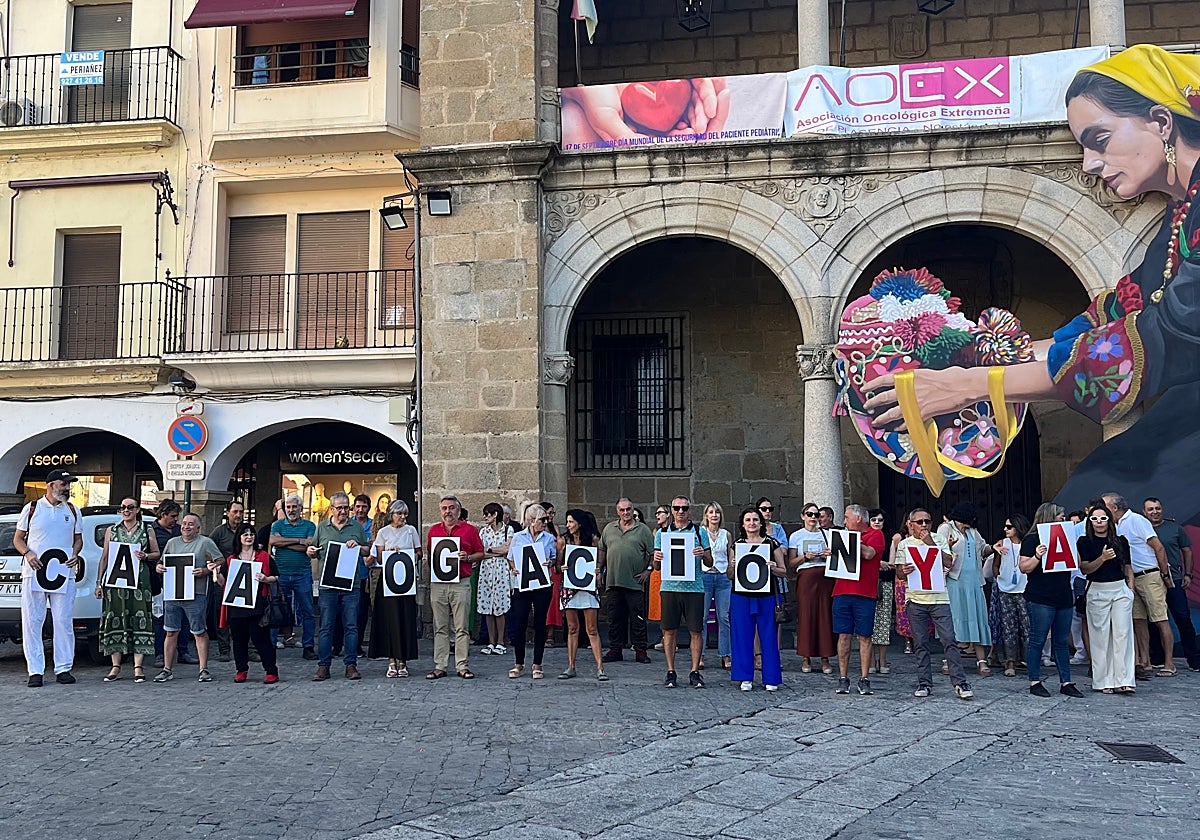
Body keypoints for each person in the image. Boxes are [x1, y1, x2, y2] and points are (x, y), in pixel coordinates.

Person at [862, 46, 1200, 528]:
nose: (1088, 163)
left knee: (1110, 495)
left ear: (1162, 122)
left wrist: (970, 386)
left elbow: (1164, 336)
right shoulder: (1181, 217)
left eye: (1099, 139)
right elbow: (1121, 306)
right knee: (1096, 492)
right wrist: (991, 353)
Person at [13, 469, 84, 687]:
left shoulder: (73, 510)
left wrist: (75, 554)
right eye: (63, 484)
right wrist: (28, 553)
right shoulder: (32, 508)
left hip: (62, 573)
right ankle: (35, 670)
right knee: (33, 621)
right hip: (34, 573)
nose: (67, 488)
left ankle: (63, 668)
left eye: (68, 484)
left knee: (63, 620)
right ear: (51, 485)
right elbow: (18, 539)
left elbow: (78, 539)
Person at [897, 508, 974, 700]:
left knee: (949, 639)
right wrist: (904, 571)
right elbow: (898, 573)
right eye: (920, 522)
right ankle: (924, 682)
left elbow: (949, 563)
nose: (924, 525)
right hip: (915, 599)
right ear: (910, 524)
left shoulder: (938, 539)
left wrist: (929, 543)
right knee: (921, 643)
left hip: (939, 598)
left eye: (927, 521)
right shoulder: (904, 544)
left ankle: (960, 682)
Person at [1104, 492, 1173, 680]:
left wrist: (1164, 574)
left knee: (1160, 619)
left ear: (1114, 508)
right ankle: (1145, 661)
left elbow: (1158, 546)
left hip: (1149, 575)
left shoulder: (1136, 520)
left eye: (1105, 507)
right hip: (1132, 577)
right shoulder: (1116, 525)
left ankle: (1169, 663)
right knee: (1138, 621)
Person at [1018, 504, 1084, 698]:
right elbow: (1024, 567)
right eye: (1060, 517)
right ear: (1049, 517)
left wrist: (1072, 543)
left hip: (1063, 594)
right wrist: (1038, 555)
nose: (1063, 520)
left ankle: (1066, 681)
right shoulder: (1032, 539)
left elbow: (1078, 563)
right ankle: (1035, 681)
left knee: (1062, 641)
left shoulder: (1066, 538)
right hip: (1041, 596)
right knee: (1038, 639)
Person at [94, 496, 160, 684]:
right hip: (116, 582)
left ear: (138, 509)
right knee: (115, 617)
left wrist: (146, 556)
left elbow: (157, 553)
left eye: (130, 507)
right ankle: (116, 665)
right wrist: (99, 582)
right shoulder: (111, 530)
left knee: (140, 618)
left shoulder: (147, 530)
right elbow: (105, 557)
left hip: (139, 581)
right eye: (123, 507)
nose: (126, 510)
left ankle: (138, 665)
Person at [306, 491, 368, 681]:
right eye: (339, 508)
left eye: (345, 507)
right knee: (326, 626)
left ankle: (350, 665)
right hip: (328, 585)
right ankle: (323, 666)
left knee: (351, 626)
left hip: (351, 585)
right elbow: (314, 550)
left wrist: (357, 545)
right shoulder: (322, 527)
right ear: (331, 509)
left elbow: (366, 551)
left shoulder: (356, 527)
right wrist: (310, 551)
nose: (343, 511)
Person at [155, 513, 223, 683]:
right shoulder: (172, 543)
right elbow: (162, 562)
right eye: (184, 523)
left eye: (191, 524)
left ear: (198, 528)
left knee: (199, 631)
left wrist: (206, 571)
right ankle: (167, 669)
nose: (186, 526)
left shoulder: (205, 542)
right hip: (173, 593)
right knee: (171, 631)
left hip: (196, 593)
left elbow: (220, 560)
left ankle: (203, 669)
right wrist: (159, 568)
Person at [653, 496, 712, 688]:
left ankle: (695, 671)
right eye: (677, 508)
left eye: (684, 508)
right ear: (671, 510)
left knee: (696, 630)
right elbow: (656, 566)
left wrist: (703, 554)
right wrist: (657, 558)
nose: (680, 511)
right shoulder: (662, 533)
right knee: (669, 630)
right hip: (670, 587)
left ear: (689, 510)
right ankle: (671, 670)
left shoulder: (699, 531)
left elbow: (710, 562)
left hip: (694, 587)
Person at [1078, 503, 1137, 693]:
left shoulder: (1121, 541)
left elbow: (1128, 567)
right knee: (1100, 637)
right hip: (1097, 590)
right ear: (1090, 521)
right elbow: (1085, 568)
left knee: (1123, 635)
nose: (1099, 522)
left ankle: (1125, 680)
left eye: (1103, 518)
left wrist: (1130, 590)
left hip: (1119, 589)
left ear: (1109, 520)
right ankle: (1103, 681)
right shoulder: (1084, 541)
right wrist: (1102, 558)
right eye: (1094, 518)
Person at [425, 495, 484, 680]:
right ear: (440, 511)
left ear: (458, 510)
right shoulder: (433, 531)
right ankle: (440, 665)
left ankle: (462, 665)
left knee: (461, 627)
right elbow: (430, 554)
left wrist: (467, 558)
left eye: (451, 508)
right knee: (440, 626)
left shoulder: (469, 530)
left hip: (461, 583)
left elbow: (480, 553)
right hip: (439, 584)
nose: (447, 511)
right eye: (444, 508)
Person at [728, 507, 785, 691]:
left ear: (761, 523)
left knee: (769, 636)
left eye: (755, 519)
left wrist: (773, 567)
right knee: (742, 636)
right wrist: (733, 566)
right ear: (742, 524)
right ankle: (745, 677)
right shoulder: (736, 546)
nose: (752, 523)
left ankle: (771, 678)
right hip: (741, 596)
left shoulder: (772, 544)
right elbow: (729, 574)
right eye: (748, 520)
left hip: (766, 596)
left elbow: (784, 572)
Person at [214, 525, 279, 684]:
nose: (249, 537)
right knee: (238, 639)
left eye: (251, 534)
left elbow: (276, 576)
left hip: (257, 603)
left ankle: (271, 670)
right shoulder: (231, 559)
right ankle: (241, 669)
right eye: (245, 534)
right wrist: (215, 572)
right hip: (237, 605)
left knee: (260, 638)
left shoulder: (264, 556)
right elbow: (223, 582)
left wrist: (265, 579)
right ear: (239, 538)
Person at [1143, 497, 1200, 671]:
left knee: (1182, 618)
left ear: (1162, 509)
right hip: (1150, 580)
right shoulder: (1141, 528)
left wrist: (1188, 574)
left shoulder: (1175, 528)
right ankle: (1158, 657)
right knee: (1153, 620)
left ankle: (1194, 659)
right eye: (1151, 509)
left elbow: (1187, 551)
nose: (1155, 512)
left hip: (1174, 580)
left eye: (1157, 508)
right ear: (1144, 512)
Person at [832, 504, 884, 696]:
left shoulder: (875, 535)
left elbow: (869, 554)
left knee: (865, 636)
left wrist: (847, 540)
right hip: (842, 591)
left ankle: (864, 678)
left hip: (865, 594)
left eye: (847, 517)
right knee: (843, 635)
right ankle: (843, 677)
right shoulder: (845, 537)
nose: (844, 521)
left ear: (858, 519)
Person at [937, 502, 993, 677]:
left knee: (976, 617)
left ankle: (981, 660)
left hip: (974, 581)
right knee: (955, 618)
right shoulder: (946, 529)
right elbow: (937, 550)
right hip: (955, 580)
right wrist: (949, 546)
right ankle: (949, 659)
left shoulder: (972, 532)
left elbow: (982, 549)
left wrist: (994, 548)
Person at [367, 501, 421, 678]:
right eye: (400, 514)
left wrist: (408, 554)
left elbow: (419, 553)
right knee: (390, 619)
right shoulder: (383, 532)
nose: (403, 518)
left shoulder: (411, 530)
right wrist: (390, 551)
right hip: (389, 581)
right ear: (392, 514)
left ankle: (404, 660)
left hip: (405, 581)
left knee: (405, 617)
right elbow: (379, 558)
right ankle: (391, 660)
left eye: (405, 514)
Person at [599, 497, 654, 664]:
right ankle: (615, 649)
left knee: (637, 618)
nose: (625, 513)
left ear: (633, 509)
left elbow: (653, 554)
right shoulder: (609, 529)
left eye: (628, 509)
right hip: (613, 582)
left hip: (635, 583)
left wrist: (648, 571)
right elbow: (602, 549)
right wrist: (598, 571)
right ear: (617, 511)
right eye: (622, 510)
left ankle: (641, 650)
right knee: (614, 618)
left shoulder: (643, 530)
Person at [506, 505, 557, 679]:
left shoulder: (549, 538)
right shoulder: (518, 537)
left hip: (542, 586)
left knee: (540, 623)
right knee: (520, 622)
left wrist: (550, 563)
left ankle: (537, 664)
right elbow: (511, 559)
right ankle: (519, 663)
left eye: (546, 519)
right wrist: (514, 569)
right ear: (531, 520)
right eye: (542, 519)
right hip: (523, 585)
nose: (545, 522)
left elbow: (553, 559)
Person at [557, 509, 606, 680]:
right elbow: (557, 565)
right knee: (572, 628)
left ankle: (600, 668)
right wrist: (561, 568)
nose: (568, 525)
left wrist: (598, 570)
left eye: (571, 521)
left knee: (592, 628)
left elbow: (600, 562)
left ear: (579, 522)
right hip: (570, 588)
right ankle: (571, 666)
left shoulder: (593, 540)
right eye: (567, 522)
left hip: (587, 587)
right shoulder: (563, 540)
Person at [788, 502, 835, 674]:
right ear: (803, 516)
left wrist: (830, 555)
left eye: (816, 515)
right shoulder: (796, 536)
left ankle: (825, 657)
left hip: (825, 578)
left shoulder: (828, 535)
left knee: (825, 616)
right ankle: (806, 656)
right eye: (810, 514)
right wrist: (804, 557)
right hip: (806, 578)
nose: (813, 518)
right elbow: (791, 563)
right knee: (806, 616)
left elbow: (838, 560)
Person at [270, 494, 318, 660]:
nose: (291, 510)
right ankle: (271, 645)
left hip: (302, 575)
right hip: (280, 574)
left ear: (300, 509)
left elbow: (310, 545)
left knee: (308, 612)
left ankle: (309, 646)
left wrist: (285, 542)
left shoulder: (310, 525)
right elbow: (273, 541)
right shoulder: (277, 524)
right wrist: (298, 540)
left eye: (294, 507)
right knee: (275, 609)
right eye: (288, 507)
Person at [989, 514, 1031, 678]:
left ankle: (1028, 659)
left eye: (1009, 527)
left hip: (1024, 589)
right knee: (1009, 626)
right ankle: (1010, 661)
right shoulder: (1002, 544)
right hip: (1005, 589)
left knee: (1026, 626)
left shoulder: (1027, 544)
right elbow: (996, 564)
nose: (1005, 530)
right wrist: (998, 576)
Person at [151, 499, 191, 667]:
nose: (176, 520)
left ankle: (183, 651)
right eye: (173, 516)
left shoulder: (178, 530)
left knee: (183, 616)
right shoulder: (151, 530)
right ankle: (160, 654)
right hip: (158, 581)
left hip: (179, 579)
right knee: (160, 618)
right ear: (163, 514)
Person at [207, 499, 245, 663]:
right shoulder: (219, 532)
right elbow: (208, 550)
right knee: (221, 613)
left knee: (245, 614)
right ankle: (224, 649)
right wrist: (214, 566)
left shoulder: (247, 530)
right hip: (223, 579)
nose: (238, 515)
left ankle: (248, 649)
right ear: (227, 513)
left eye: (241, 512)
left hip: (243, 579)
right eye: (235, 512)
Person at [477, 502, 514, 656]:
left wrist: (491, 550)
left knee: (500, 608)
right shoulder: (483, 532)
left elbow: (508, 549)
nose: (485, 518)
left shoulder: (508, 530)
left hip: (501, 571)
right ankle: (491, 641)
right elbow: (480, 552)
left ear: (495, 515)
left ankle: (500, 641)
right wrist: (498, 552)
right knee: (487, 607)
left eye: (488, 514)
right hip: (486, 571)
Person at [700, 502, 733, 671]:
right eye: (711, 512)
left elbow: (730, 554)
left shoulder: (726, 534)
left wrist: (730, 569)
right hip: (705, 575)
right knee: (702, 617)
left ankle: (725, 654)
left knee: (724, 617)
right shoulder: (700, 532)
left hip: (722, 577)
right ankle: (700, 654)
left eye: (717, 512)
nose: (714, 515)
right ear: (706, 515)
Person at [868, 509, 894, 674]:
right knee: (867, 623)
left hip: (885, 582)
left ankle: (883, 660)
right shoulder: (865, 538)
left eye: (880, 520)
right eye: (873, 519)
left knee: (884, 622)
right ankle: (870, 660)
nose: (877, 522)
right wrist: (879, 563)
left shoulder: (889, 539)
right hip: (868, 583)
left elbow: (892, 563)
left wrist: (879, 563)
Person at [890, 523, 914, 655]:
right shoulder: (900, 538)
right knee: (904, 609)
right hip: (902, 576)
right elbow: (893, 560)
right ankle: (908, 641)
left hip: (920, 575)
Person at [647, 504, 669, 642]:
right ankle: (663, 637)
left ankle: (669, 637)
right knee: (659, 605)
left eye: (660, 512)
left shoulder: (673, 530)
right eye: (656, 513)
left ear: (668, 514)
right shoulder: (656, 532)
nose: (657, 515)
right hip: (658, 570)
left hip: (671, 570)